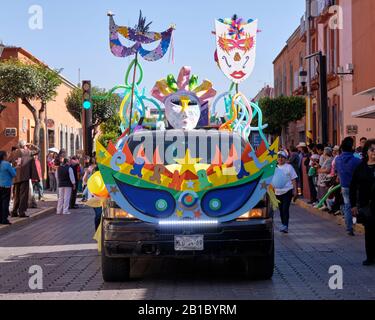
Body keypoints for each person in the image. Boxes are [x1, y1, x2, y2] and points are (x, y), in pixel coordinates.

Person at [350, 139, 375, 265]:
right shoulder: (360, 168)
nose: (374, 152)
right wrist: (353, 204)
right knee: (369, 232)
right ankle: (370, 257)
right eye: (372, 150)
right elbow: (353, 187)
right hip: (366, 205)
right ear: (366, 152)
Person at [336, 137, 362, 236]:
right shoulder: (357, 160)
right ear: (352, 147)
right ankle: (359, 221)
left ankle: (349, 228)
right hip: (355, 187)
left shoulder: (338, 159)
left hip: (344, 186)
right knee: (358, 204)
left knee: (347, 206)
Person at [8, 141, 40, 218]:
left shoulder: (13, 153)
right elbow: (38, 150)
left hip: (16, 176)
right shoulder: (28, 152)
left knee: (16, 195)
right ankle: (21, 212)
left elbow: (7, 161)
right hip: (25, 177)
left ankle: (14, 211)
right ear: (25, 145)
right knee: (23, 195)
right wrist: (32, 145)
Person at [271, 151, 298, 234]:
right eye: (279, 157)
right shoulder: (274, 167)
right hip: (277, 192)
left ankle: (285, 226)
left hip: (287, 191)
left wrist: (295, 190)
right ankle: (283, 224)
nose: (280, 159)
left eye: (282, 157)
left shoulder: (289, 167)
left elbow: (293, 179)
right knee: (281, 210)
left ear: (285, 158)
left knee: (285, 209)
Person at [0, 151, 17, 225]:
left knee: (0, 202)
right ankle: (4, 219)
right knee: (5, 202)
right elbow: (13, 174)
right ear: (4, 156)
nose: (7, 156)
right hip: (6, 185)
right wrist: (15, 168)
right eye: (7, 155)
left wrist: (14, 168)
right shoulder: (6, 164)